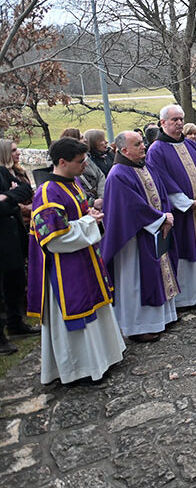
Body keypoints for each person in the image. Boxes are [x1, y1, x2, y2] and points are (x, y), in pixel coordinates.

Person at [27, 138, 125, 383]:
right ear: (62, 162)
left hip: (85, 258)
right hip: (65, 269)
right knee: (79, 314)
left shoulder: (72, 183)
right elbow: (54, 238)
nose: (85, 165)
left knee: (97, 307)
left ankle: (103, 357)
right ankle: (80, 368)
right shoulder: (48, 192)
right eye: (80, 162)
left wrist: (89, 215)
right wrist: (90, 222)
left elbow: (76, 216)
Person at [101, 131, 179, 342]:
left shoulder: (144, 166)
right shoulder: (118, 175)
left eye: (142, 143)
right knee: (135, 282)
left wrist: (166, 214)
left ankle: (162, 318)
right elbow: (131, 207)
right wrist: (160, 219)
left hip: (155, 230)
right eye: (137, 144)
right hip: (133, 239)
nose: (143, 146)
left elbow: (160, 194)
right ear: (124, 150)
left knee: (157, 274)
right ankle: (137, 326)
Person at [146, 104, 196, 310]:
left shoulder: (191, 145)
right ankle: (189, 297)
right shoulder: (156, 150)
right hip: (182, 212)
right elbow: (162, 181)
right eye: (174, 120)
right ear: (163, 123)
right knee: (187, 250)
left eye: (181, 119)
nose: (179, 123)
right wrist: (187, 203)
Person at [0, 140, 36, 353]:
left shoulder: (3, 173)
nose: (18, 153)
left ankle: (16, 324)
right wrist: (11, 203)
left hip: (13, 240)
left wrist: (7, 197)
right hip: (2, 241)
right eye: (12, 150)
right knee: (1, 292)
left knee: (15, 283)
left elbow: (24, 190)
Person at [60, 127, 106, 210]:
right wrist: (93, 202)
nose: (85, 140)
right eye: (81, 138)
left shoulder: (87, 157)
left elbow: (100, 175)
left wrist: (102, 197)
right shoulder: (70, 167)